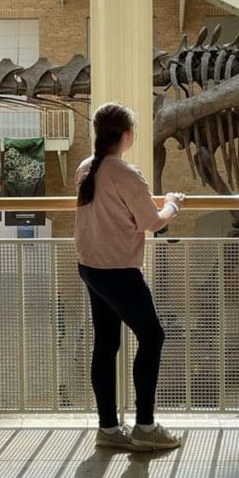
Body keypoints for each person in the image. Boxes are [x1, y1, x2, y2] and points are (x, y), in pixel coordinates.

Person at [74, 102, 185, 452]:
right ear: (127, 135)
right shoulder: (126, 174)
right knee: (152, 337)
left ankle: (108, 428)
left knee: (106, 344)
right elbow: (153, 222)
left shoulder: (86, 168)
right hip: (119, 271)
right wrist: (173, 203)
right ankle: (145, 426)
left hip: (92, 268)